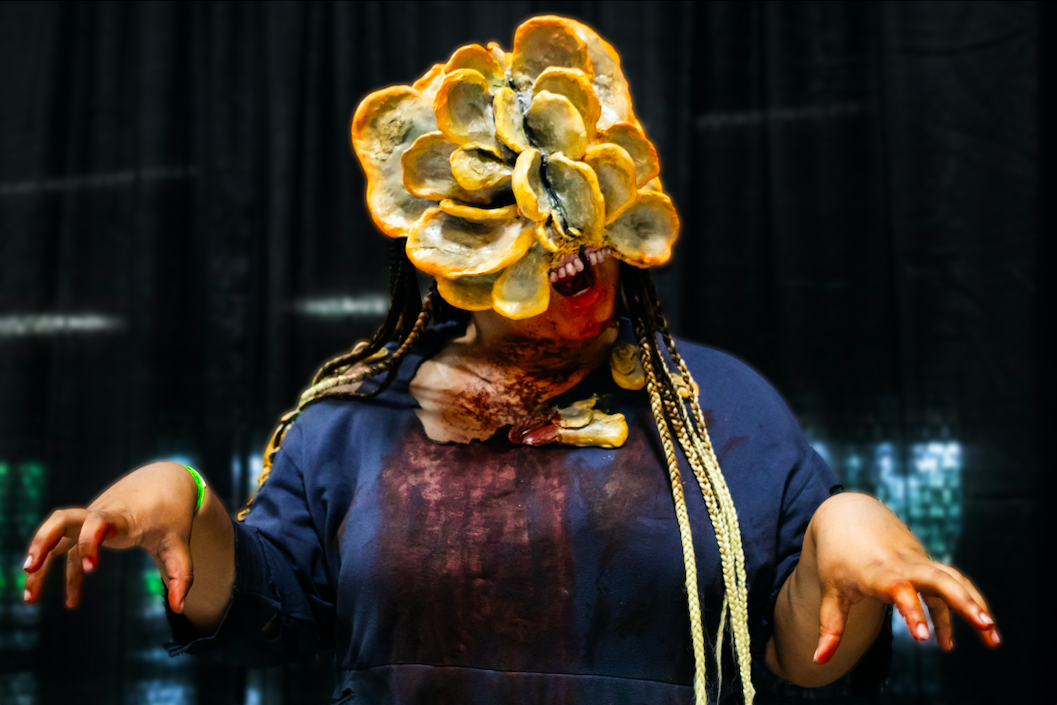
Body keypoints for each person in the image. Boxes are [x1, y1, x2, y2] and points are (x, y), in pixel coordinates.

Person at [21, 16, 998, 705]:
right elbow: (271, 618)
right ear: (448, 253)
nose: (568, 255)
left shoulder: (722, 408)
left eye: (583, 227)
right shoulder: (354, 421)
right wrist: (186, 501)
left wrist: (846, 534)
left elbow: (794, 655)